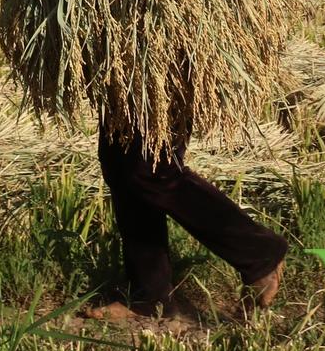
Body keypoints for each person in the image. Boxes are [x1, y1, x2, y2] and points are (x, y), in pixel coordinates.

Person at [94, 104, 288, 323]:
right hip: (120, 74)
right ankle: (149, 295)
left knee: (153, 169)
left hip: (163, 72)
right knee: (120, 162)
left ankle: (258, 251)